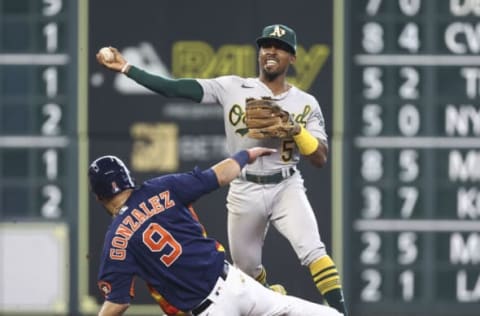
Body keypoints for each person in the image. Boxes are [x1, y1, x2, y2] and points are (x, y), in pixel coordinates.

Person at [96, 23, 348, 315]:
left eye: (280, 48)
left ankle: (342, 311)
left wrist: (294, 129)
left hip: (285, 183)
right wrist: (128, 68)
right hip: (244, 186)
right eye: (266, 45)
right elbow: (175, 88)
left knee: (313, 250)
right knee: (246, 270)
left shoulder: (306, 103)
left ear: (292, 57)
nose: (271, 51)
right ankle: (270, 299)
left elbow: (319, 157)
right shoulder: (232, 86)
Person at [88, 149, 344, 316]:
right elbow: (218, 176)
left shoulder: (116, 241)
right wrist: (247, 154)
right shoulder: (161, 188)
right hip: (236, 282)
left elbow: (118, 302)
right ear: (128, 179)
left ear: (99, 198)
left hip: (209, 310)